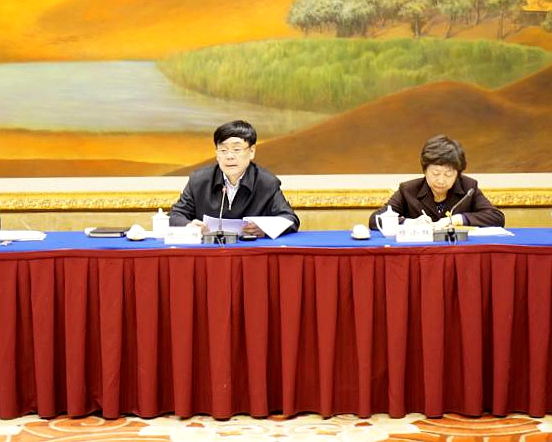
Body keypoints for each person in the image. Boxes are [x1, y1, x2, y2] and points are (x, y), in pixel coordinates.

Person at [169, 120, 300, 236]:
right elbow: (176, 215)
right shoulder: (199, 180)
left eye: (236, 149)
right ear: (217, 154)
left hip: (249, 250)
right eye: (223, 150)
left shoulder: (266, 183)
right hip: (209, 249)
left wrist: (265, 229)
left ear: (252, 151)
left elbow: (290, 219)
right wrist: (189, 226)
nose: (229, 156)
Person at [369, 134, 505, 230]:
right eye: (435, 173)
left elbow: (497, 217)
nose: (441, 180)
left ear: (458, 173)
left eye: (448, 174)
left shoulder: (468, 188)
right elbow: (375, 220)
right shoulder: (408, 190)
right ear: (425, 170)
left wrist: (457, 219)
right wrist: (409, 223)